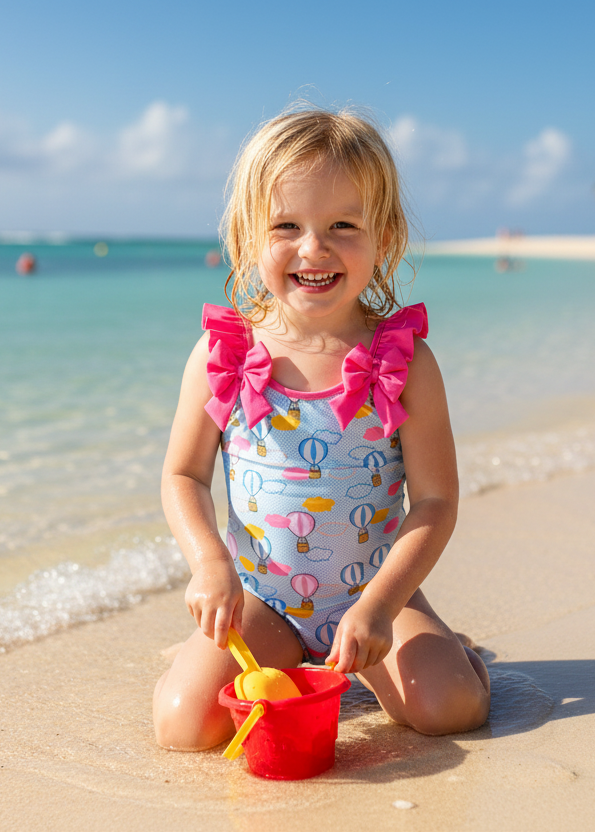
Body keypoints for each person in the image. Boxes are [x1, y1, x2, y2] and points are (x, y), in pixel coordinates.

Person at [153, 108, 490, 751]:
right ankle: (208, 653)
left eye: (343, 225)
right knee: (182, 725)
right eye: (286, 226)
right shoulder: (222, 353)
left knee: (450, 709)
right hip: (262, 600)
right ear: (248, 235)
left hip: (374, 596)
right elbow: (183, 475)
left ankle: (457, 652)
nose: (314, 247)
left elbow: (437, 502)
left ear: (384, 236)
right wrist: (209, 565)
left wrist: (382, 607)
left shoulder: (405, 362)